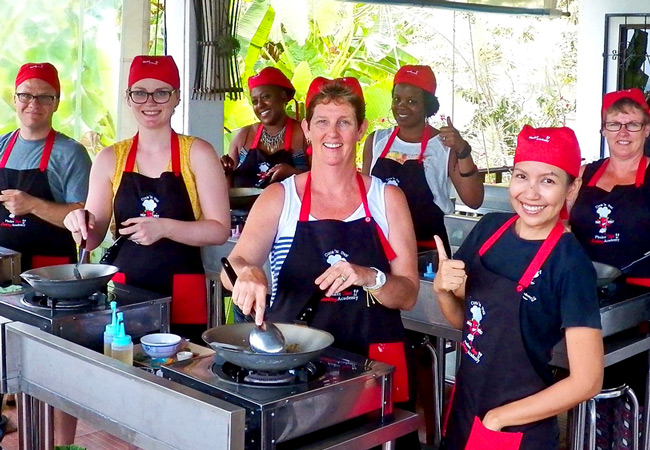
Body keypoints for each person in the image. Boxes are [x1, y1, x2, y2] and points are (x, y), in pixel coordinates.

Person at [222, 76, 420, 447]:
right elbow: (235, 263)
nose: (334, 132)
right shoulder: (280, 199)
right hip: (298, 365)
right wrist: (247, 272)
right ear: (308, 129)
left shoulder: (387, 198)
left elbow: (407, 294)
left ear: (360, 129)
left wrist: (369, 276)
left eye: (344, 121)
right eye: (323, 122)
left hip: (372, 364)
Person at [435, 125, 603, 449]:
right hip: (466, 409)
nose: (531, 193)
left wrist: (500, 419)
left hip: (516, 430)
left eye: (548, 180)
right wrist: (442, 291)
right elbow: (469, 323)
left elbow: (588, 380)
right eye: (522, 176)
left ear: (573, 187)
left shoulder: (570, 264)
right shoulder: (489, 230)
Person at [64, 55, 230, 343]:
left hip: (183, 289)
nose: (150, 102)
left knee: (183, 372)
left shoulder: (197, 153)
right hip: (126, 288)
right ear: (129, 98)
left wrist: (164, 228)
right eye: (139, 93)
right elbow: (91, 238)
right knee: (125, 366)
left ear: (176, 97)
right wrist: (76, 221)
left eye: (161, 92)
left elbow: (219, 229)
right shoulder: (109, 159)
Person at [362, 65, 483, 254]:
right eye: (397, 99)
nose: (401, 106)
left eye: (412, 101)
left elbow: (474, 200)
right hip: (380, 245)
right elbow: (365, 196)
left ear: (428, 106)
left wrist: (462, 150)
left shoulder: (445, 146)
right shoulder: (376, 141)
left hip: (426, 250)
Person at [0, 62, 91, 271]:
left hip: (52, 273)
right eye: (25, 95)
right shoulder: (1, 146)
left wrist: (32, 205)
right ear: (15, 99)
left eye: (44, 96)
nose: (34, 103)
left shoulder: (71, 153)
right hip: (4, 271)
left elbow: (84, 217)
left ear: (57, 103)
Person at [569, 88, 650, 285]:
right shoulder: (581, 174)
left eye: (632, 124)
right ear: (604, 130)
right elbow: (560, 223)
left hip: (642, 295)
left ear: (647, 129)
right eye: (614, 124)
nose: (623, 132)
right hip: (584, 286)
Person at [222, 67, 308, 188]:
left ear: (283, 96)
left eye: (266, 97)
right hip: (245, 207)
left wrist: (292, 173)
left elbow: (323, 181)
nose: (260, 105)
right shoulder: (243, 136)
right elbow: (229, 192)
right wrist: (226, 172)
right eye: (255, 101)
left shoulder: (305, 134)